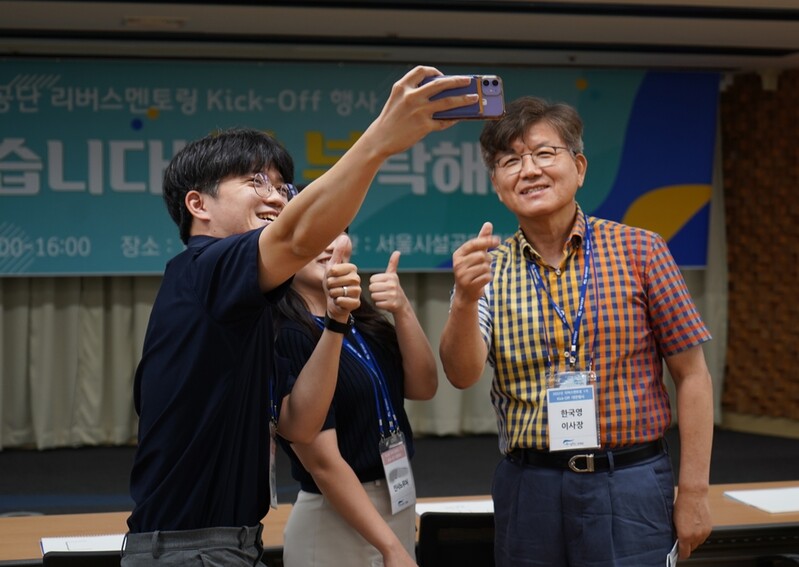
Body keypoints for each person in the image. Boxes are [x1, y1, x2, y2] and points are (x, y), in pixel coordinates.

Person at [122, 66, 477, 566]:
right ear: (197, 204)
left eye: (283, 187)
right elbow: (295, 236)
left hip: (232, 541)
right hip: (191, 549)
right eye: (255, 181)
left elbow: (300, 424)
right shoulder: (202, 269)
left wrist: (335, 321)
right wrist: (378, 141)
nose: (275, 196)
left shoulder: (247, 307)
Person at [438, 96, 714, 566]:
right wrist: (464, 299)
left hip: (630, 479)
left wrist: (693, 492)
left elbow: (692, 376)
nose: (529, 170)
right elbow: (461, 374)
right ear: (497, 185)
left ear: (579, 167)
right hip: (530, 486)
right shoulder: (487, 269)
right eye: (511, 161)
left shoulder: (641, 251)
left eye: (545, 153)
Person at [273, 231, 437, 567]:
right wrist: (390, 548)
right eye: (319, 231)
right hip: (335, 518)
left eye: (339, 232)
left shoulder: (362, 318)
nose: (331, 243)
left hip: (397, 499)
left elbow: (423, 387)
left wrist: (402, 308)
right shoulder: (287, 334)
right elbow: (322, 463)